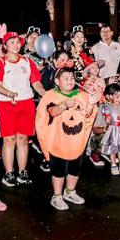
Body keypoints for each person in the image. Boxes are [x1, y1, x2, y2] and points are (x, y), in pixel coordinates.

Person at [35, 68, 99, 211]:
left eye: (72, 78)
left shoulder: (82, 95)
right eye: (66, 78)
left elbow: (87, 115)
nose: (70, 81)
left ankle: (70, 191)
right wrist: (64, 105)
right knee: (58, 168)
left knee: (75, 167)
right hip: (58, 140)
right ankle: (57, 195)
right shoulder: (50, 95)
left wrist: (91, 103)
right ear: (57, 81)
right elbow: (51, 112)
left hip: (76, 140)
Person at [0, 32, 45, 187]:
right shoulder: (0, 63)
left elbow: (35, 82)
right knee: (9, 140)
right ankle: (9, 173)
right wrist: (9, 93)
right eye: (11, 42)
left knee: (23, 139)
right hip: (7, 104)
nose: (15, 45)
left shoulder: (27, 61)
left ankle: (22, 172)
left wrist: (42, 91)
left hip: (26, 103)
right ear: (5, 45)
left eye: (17, 42)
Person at [97, 83, 120, 176]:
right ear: (111, 97)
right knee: (113, 148)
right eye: (117, 97)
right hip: (113, 130)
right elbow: (107, 120)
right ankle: (113, 165)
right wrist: (108, 118)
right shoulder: (108, 107)